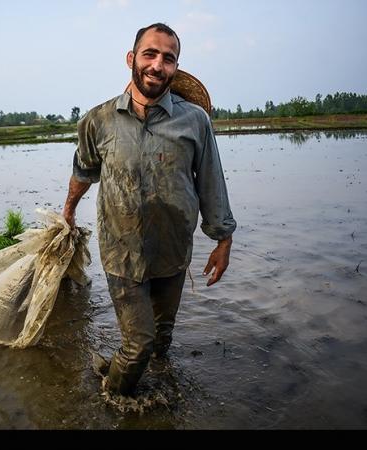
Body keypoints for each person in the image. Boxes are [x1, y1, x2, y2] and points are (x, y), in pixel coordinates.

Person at [62, 23, 236, 396]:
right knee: (138, 345)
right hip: (121, 254)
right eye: (150, 54)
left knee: (162, 336)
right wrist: (69, 211)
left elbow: (211, 181)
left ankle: (161, 385)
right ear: (132, 59)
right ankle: (113, 399)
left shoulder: (194, 121)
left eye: (168, 58)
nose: (157, 65)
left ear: (175, 67)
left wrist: (223, 239)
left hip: (172, 251)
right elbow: (83, 171)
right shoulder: (99, 120)